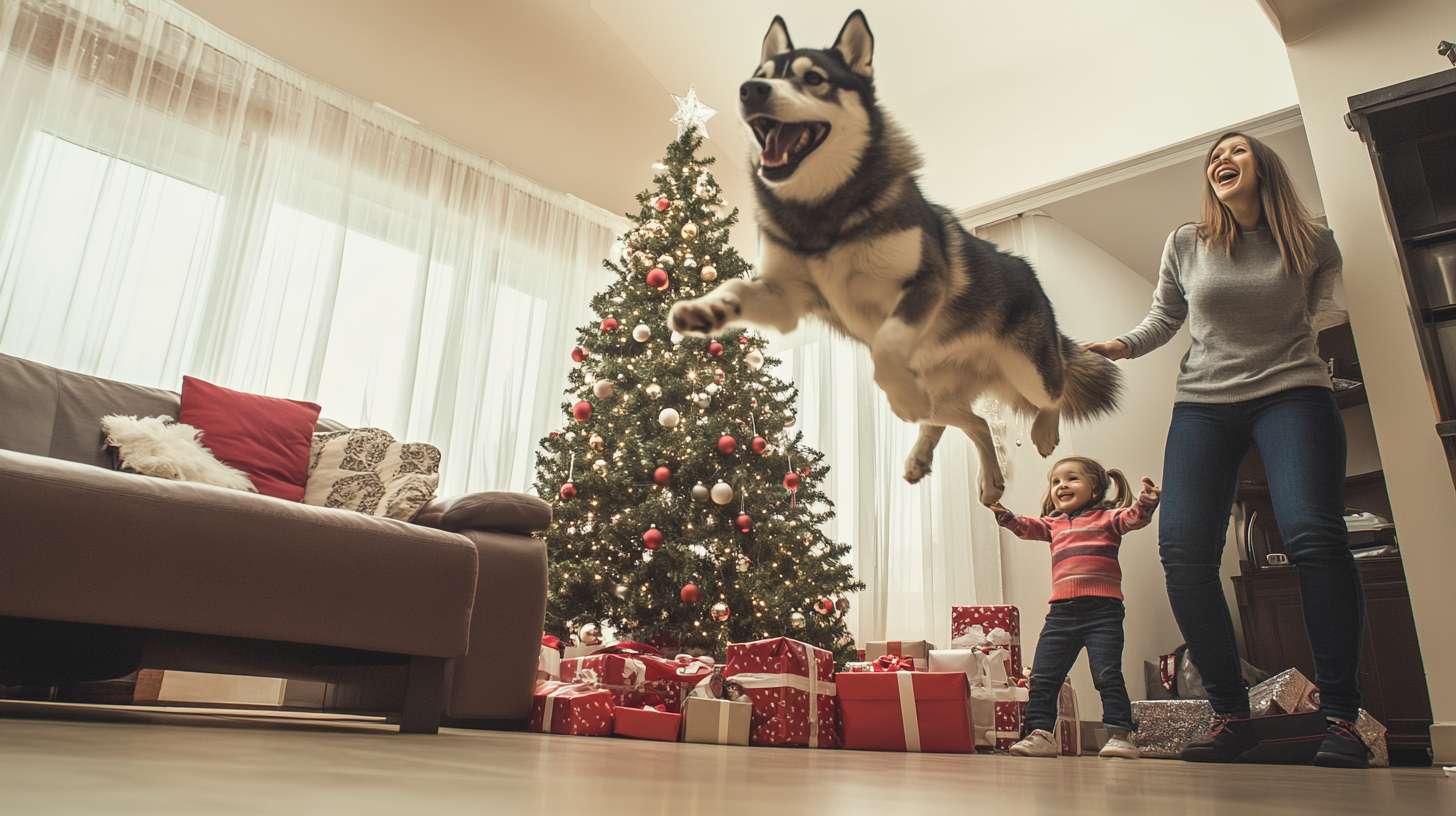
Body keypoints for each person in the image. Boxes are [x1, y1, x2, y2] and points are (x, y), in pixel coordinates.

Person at [1085, 132, 1369, 768]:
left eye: (1236, 149)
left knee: (1313, 536)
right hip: (1204, 404)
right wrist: (1122, 346)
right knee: (1182, 552)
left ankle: (1342, 718)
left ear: (1262, 165)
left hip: (1292, 393)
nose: (1222, 158)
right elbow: (1165, 316)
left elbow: (1321, 313)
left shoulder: (1313, 240)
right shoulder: (1189, 241)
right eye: (1214, 154)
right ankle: (1230, 714)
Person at [992, 456, 1160, 759]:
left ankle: (1120, 735)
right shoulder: (1054, 524)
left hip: (1103, 611)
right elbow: (1026, 527)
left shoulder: (1108, 518)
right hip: (1061, 613)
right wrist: (1005, 515)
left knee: (1107, 674)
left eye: (1072, 479)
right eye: (1056, 481)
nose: (1061, 486)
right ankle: (1040, 733)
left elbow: (1136, 517)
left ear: (1096, 489)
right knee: (1043, 677)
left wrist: (1147, 499)